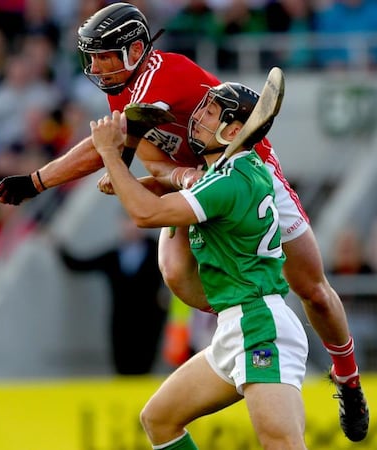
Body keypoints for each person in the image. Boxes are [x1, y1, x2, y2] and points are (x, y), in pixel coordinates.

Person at [0, 3, 368, 440]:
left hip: (243, 172)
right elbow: (147, 159)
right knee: (173, 275)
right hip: (198, 184)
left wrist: (39, 180)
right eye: (91, 56)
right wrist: (176, 176)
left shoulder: (162, 77)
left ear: (135, 50)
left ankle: (348, 377)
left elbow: (108, 152)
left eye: (103, 56)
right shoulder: (123, 89)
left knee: (314, 291)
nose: (95, 67)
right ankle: (243, 317)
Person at [92, 81, 309, 449]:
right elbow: (180, 190)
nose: (198, 116)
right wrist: (140, 181)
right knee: (159, 419)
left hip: (259, 325)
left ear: (235, 131)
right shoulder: (237, 169)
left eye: (211, 112)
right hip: (235, 324)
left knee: (282, 443)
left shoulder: (226, 180)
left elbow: (147, 215)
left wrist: (111, 155)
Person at [56, 214, 169, 375]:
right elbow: (78, 264)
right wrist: (58, 246)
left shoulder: (157, 251)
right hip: (121, 321)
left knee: (145, 365)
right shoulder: (113, 255)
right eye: (127, 222)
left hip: (148, 321)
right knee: (122, 365)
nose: (131, 227)